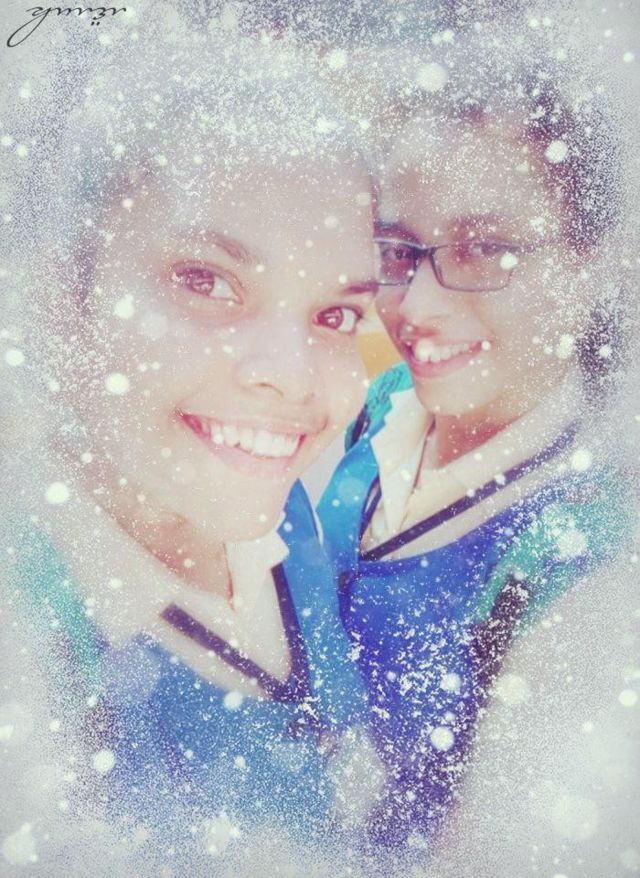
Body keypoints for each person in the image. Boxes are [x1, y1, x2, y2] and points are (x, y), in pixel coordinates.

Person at [0, 19, 379, 864]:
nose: (292, 376)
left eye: (335, 313)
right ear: (63, 296)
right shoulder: (33, 651)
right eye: (205, 281)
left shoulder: (288, 517)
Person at [318, 34, 636, 852]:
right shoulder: (383, 405)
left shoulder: (585, 558)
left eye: (485, 249)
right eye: (399, 252)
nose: (416, 308)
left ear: (590, 266)